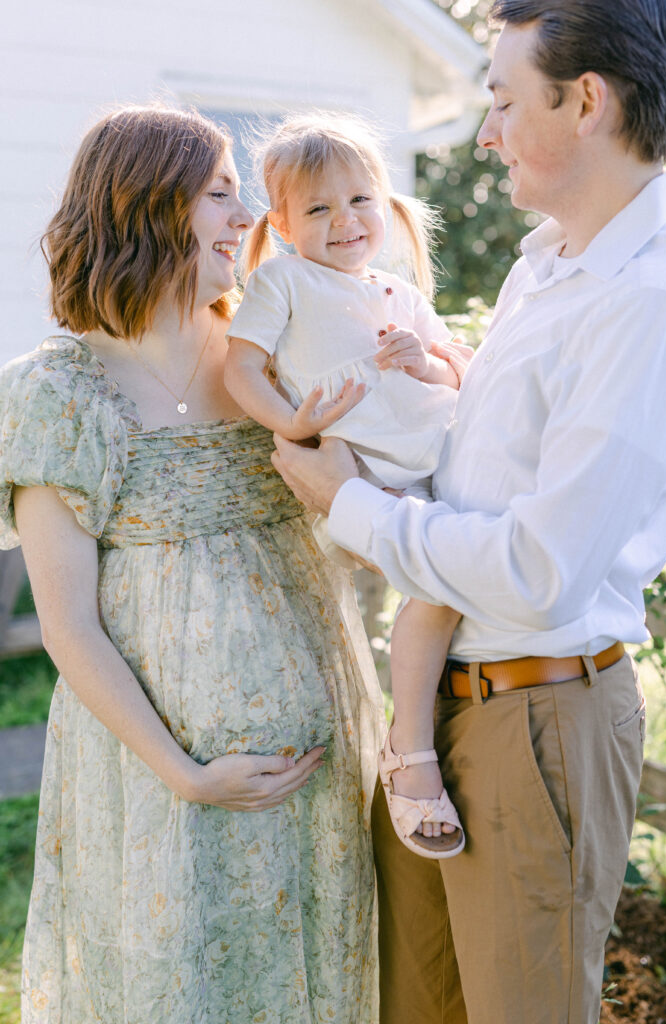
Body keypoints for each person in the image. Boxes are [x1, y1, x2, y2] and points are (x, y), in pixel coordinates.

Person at [268, 1, 666, 1021]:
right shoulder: (539, 267)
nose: (483, 130)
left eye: (499, 99)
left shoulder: (647, 299)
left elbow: (542, 565)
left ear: (584, 100)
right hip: (439, 706)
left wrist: (352, 504)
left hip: (533, 717)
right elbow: (473, 470)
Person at [0, 105, 386, 1024]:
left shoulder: (274, 359)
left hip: (318, 763)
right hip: (152, 779)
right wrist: (185, 771)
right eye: (220, 194)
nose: (246, 217)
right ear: (145, 205)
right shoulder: (59, 390)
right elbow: (69, 624)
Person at [225, 113, 473, 858]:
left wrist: (422, 361)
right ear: (282, 223)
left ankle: (417, 738)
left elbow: (456, 372)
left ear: (385, 202)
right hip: (362, 477)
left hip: (440, 467)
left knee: (452, 590)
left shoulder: (398, 292)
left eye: (360, 200)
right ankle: (410, 753)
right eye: (319, 208)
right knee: (436, 593)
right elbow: (240, 367)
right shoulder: (284, 280)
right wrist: (293, 423)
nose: (345, 221)